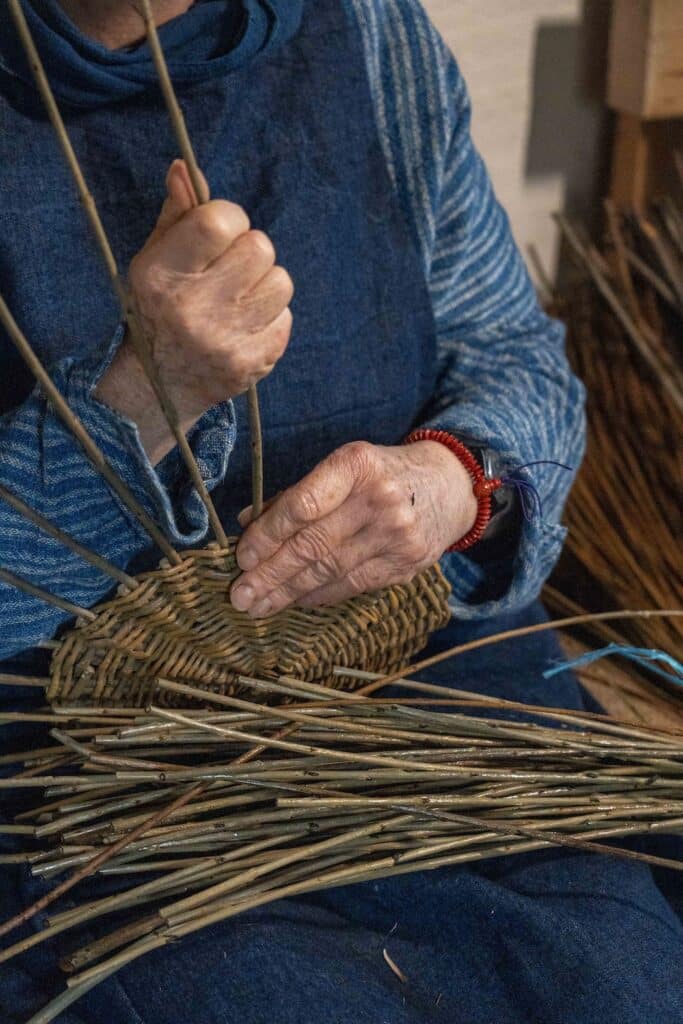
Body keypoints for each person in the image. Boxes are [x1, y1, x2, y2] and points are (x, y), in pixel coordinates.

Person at [0, 2, 680, 1022]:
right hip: (87, 773)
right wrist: (147, 393)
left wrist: (450, 481)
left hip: (426, 687)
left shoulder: (369, 33)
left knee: (620, 982)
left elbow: (514, 354)